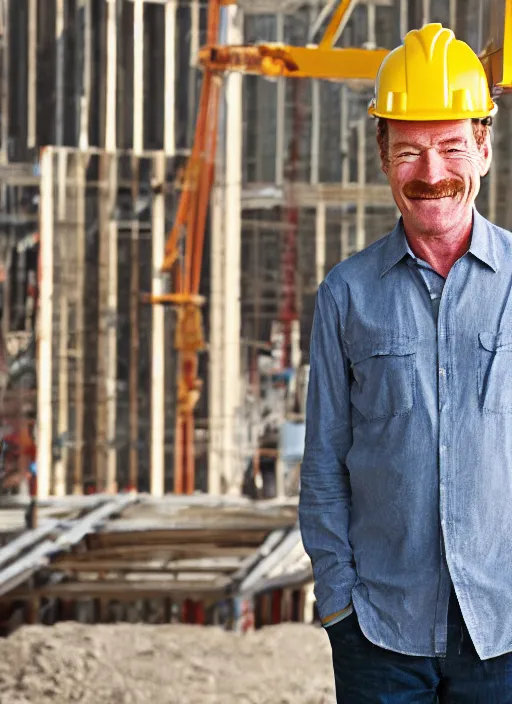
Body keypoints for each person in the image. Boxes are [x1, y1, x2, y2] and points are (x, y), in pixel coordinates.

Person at [299, 22, 512, 703]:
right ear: (382, 154)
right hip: (380, 640)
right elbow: (324, 463)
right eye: (409, 151)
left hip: (505, 635)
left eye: (451, 147)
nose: (431, 174)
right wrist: (339, 607)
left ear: (483, 147)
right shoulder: (346, 294)